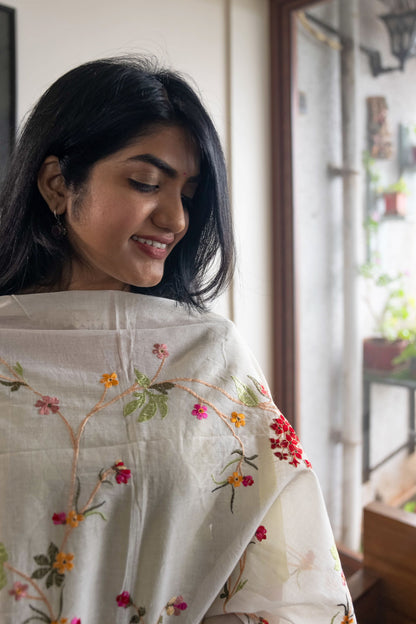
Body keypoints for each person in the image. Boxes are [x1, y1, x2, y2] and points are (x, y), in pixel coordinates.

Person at [0, 57, 355, 624]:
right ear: (58, 183)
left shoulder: (208, 353)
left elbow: (279, 568)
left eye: (188, 194)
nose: (176, 218)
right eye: (145, 182)